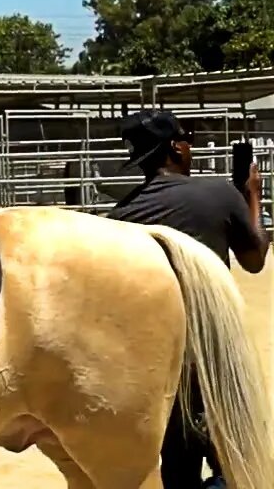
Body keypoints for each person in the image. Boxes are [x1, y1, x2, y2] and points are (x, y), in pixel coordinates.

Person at [106, 109, 268, 489]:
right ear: (176, 149)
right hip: (216, 352)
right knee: (235, 462)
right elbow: (256, 259)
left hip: (159, 361)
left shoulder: (120, 217)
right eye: (186, 141)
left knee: (178, 466)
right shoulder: (218, 193)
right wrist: (253, 197)